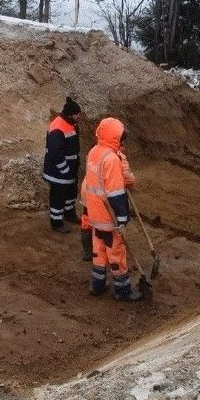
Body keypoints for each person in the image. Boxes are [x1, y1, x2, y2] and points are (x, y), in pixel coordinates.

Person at [82, 117, 143, 302]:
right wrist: (122, 218)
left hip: (94, 212)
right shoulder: (112, 159)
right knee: (116, 252)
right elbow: (116, 193)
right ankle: (123, 291)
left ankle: (97, 285)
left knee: (98, 251)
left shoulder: (93, 152)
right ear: (116, 137)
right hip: (109, 217)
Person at [42, 97, 83, 233]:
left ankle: (69, 213)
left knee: (71, 193)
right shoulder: (57, 128)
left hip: (69, 170)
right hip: (58, 172)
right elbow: (55, 153)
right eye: (77, 114)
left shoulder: (71, 124)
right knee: (58, 197)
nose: (79, 116)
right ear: (70, 114)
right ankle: (56, 222)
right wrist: (65, 169)